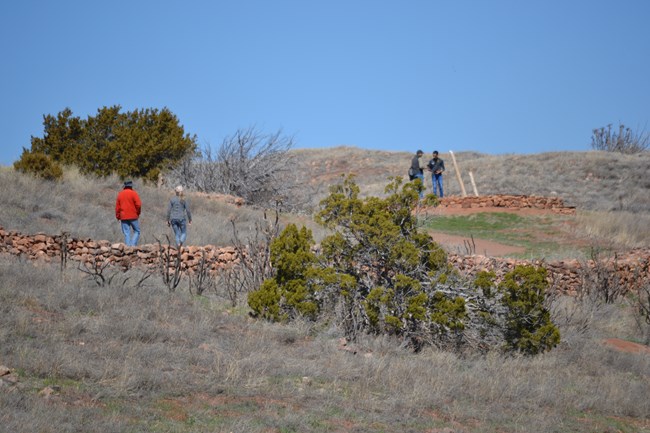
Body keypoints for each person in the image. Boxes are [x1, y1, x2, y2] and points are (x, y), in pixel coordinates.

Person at [115, 180, 142, 246]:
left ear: (124, 186)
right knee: (137, 231)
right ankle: (132, 245)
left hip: (123, 216)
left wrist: (118, 216)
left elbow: (117, 207)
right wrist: (138, 213)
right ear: (131, 186)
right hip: (133, 216)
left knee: (127, 233)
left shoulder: (120, 194)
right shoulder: (134, 193)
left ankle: (127, 247)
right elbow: (138, 205)